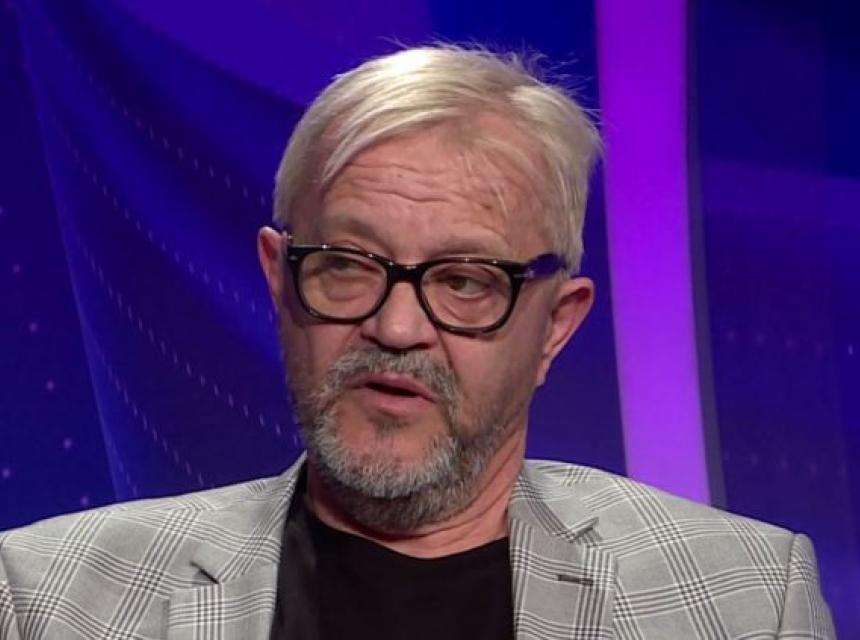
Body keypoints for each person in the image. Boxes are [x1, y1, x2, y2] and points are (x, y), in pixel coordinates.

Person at [0, 45, 833, 639]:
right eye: (348, 265)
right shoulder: (47, 601)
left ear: (557, 324)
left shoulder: (744, 603)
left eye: (465, 281)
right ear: (279, 279)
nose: (397, 329)